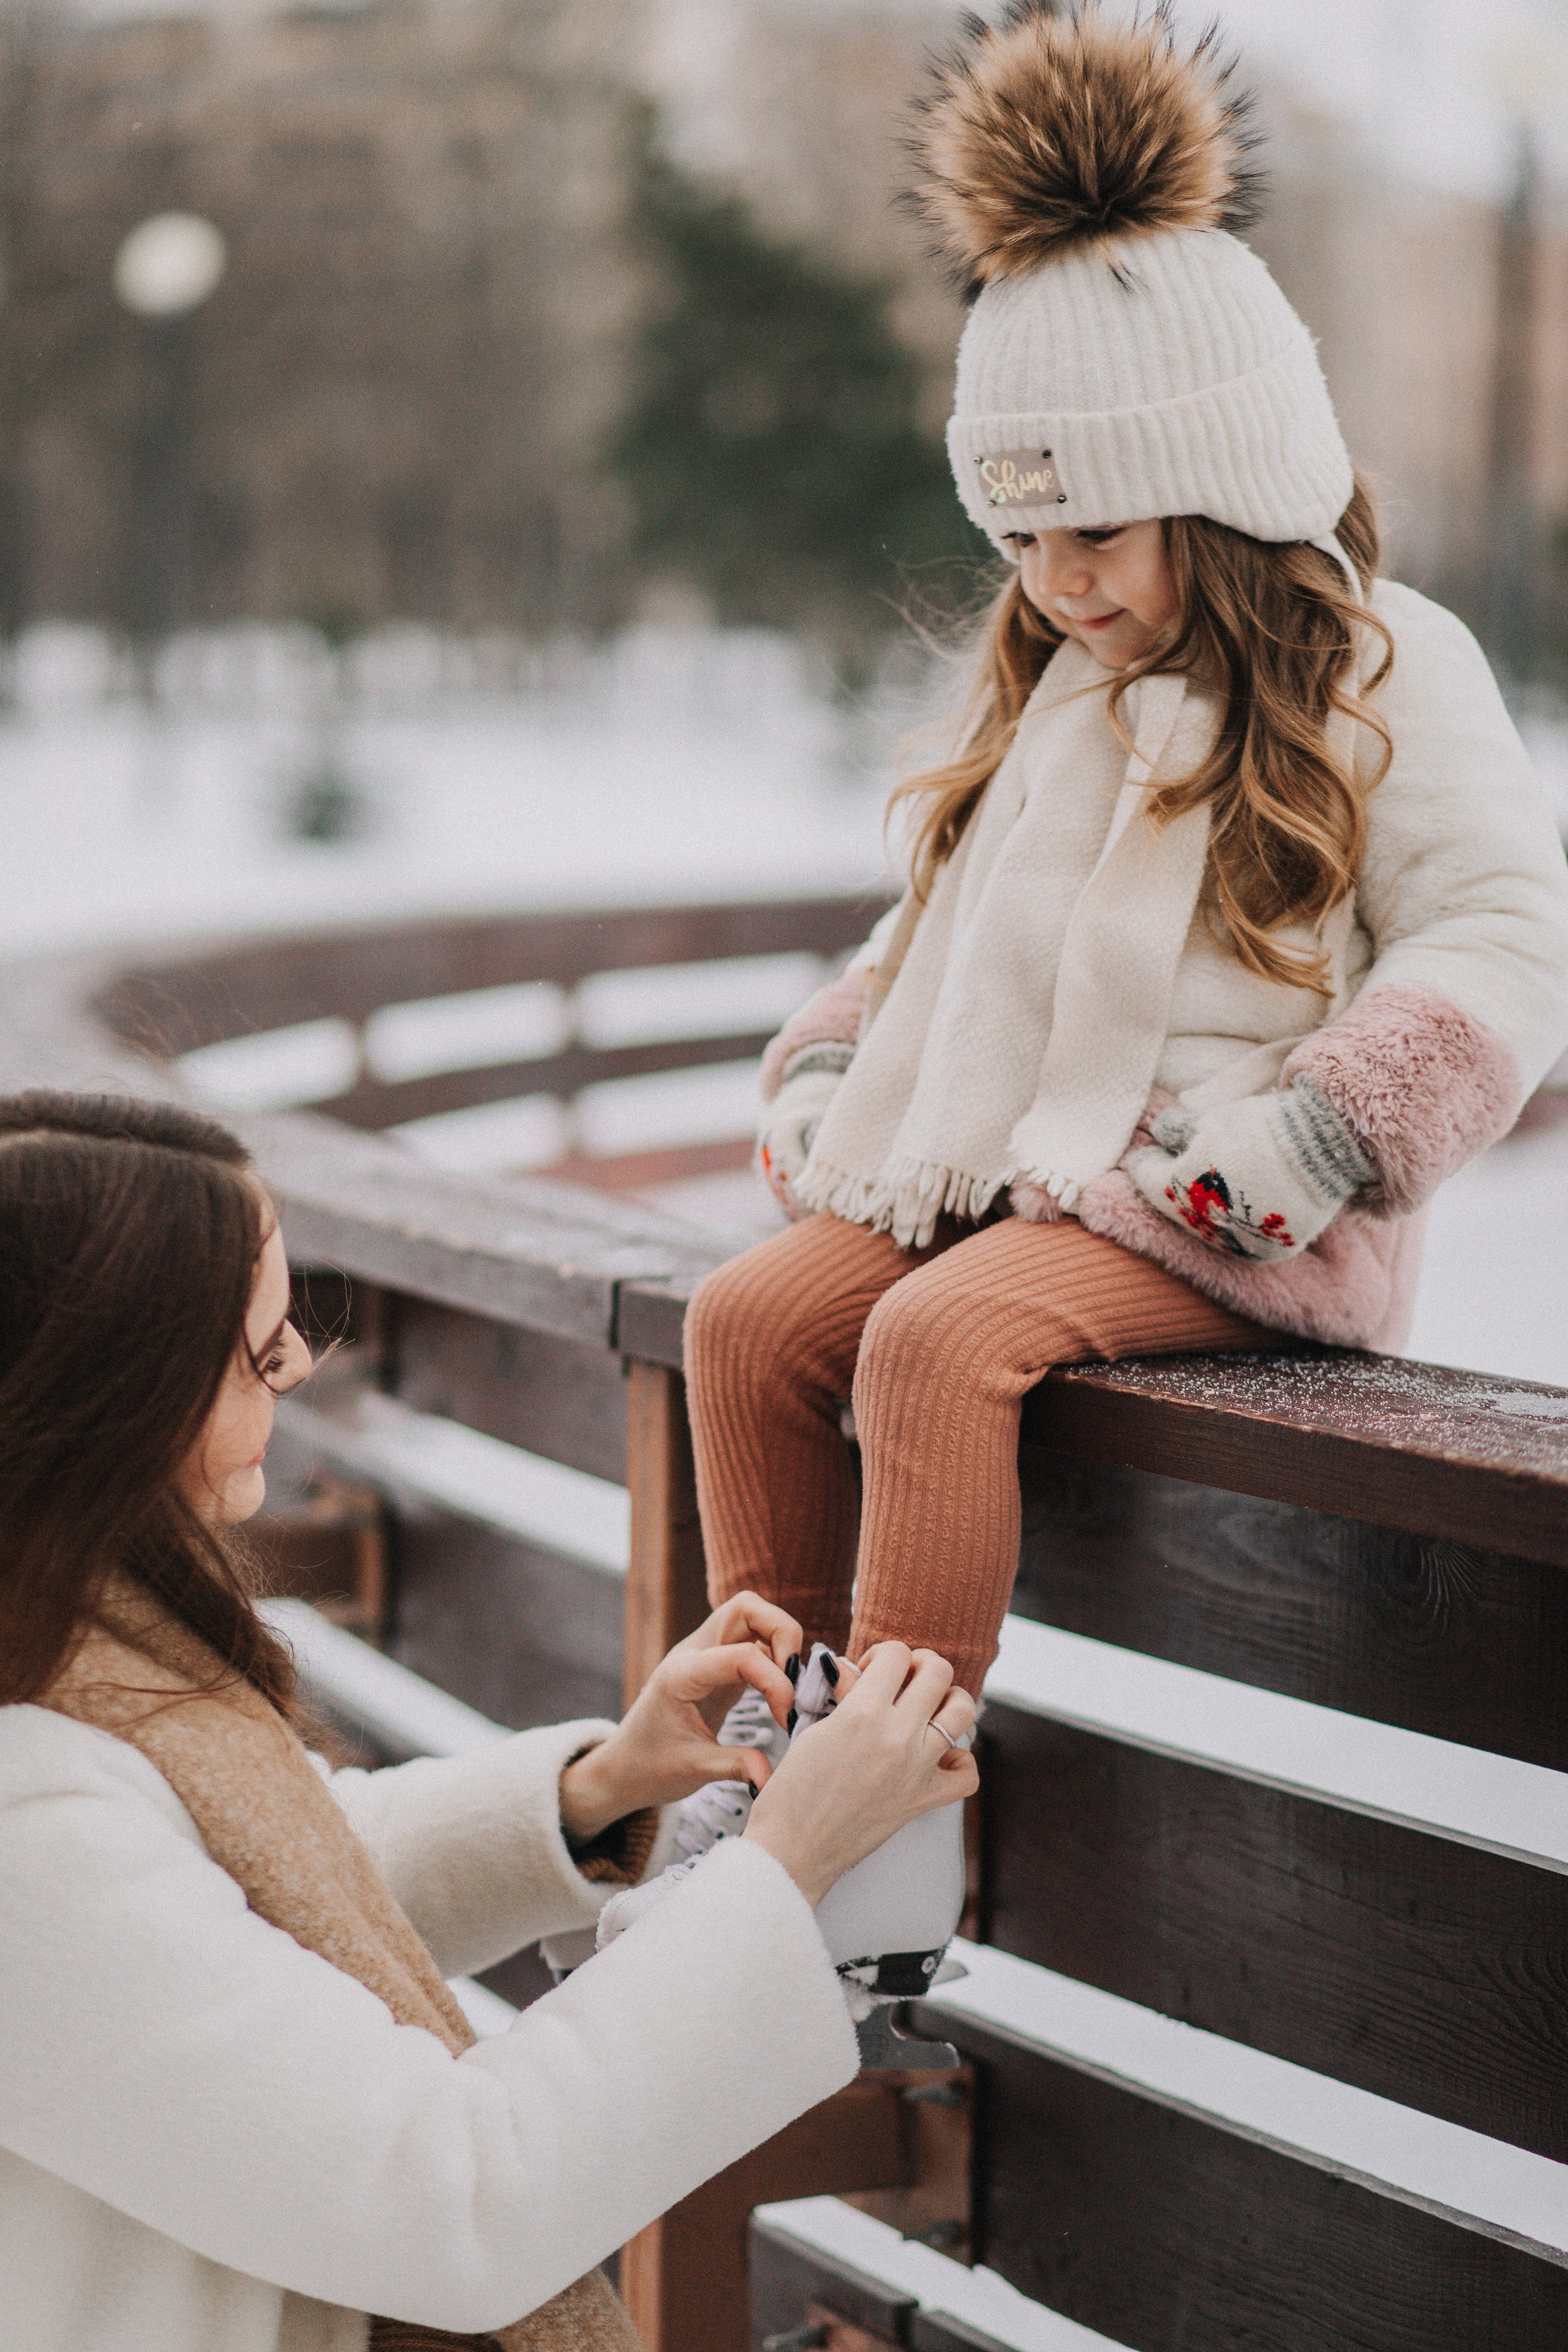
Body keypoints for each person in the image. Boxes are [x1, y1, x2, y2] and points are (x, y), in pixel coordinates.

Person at [670, 5, 1568, 1953]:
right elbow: (925, 939)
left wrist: (1322, 1136)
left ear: (1227, 482)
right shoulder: (1054, 694)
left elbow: (1506, 935)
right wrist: (834, 1073)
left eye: (1093, 527)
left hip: (1238, 1211)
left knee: (933, 1343)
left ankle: (886, 1833)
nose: (1056, 578)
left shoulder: (1383, 670)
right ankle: (768, 1747)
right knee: (746, 1319)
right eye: (1017, 534)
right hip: (1016, 1182)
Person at [0, 1090, 977, 2352]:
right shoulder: (30, 1818)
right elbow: (452, 2202)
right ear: (107, 1395)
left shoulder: (65, 1646)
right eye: (257, 1350)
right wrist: (788, 1867)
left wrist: (598, 1792)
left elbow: (252, 1888)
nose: (299, 1365)